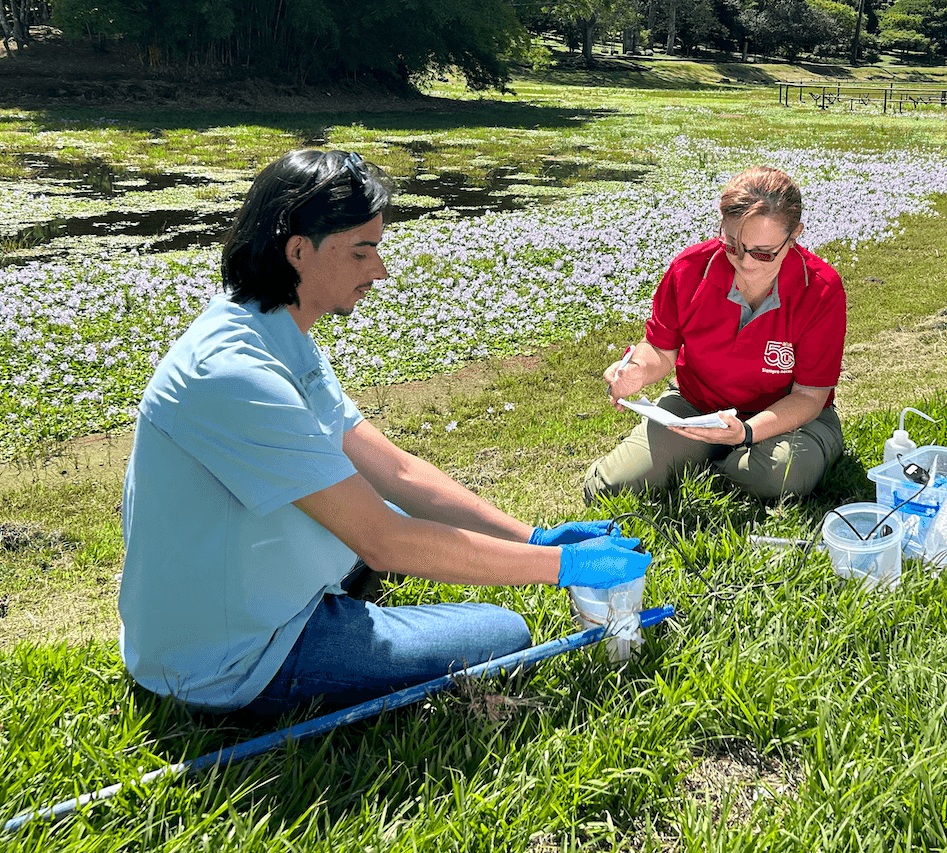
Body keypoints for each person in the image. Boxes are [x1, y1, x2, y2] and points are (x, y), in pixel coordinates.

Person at [118, 149, 649, 715]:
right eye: (361, 251)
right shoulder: (234, 374)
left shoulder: (273, 327)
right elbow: (385, 544)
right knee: (502, 632)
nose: (379, 270)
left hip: (254, 587)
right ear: (298, 250)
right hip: (229, 658)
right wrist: (565, 569)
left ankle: (355, 615)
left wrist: (533, 538)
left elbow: (394, 470)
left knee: (394, 517)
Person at [583, 165, 846, 503]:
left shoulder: (821, 289)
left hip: (788, 418)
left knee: (778, 476)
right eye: (733, 246)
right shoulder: (690, 269)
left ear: (795, 235)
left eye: (763, 252)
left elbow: (810, 396)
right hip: (697, 407)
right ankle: (710, 457)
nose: (745, 263)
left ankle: (719, 460)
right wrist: (634, 372)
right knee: (611, 488)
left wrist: (746, 432)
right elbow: (660, 351)